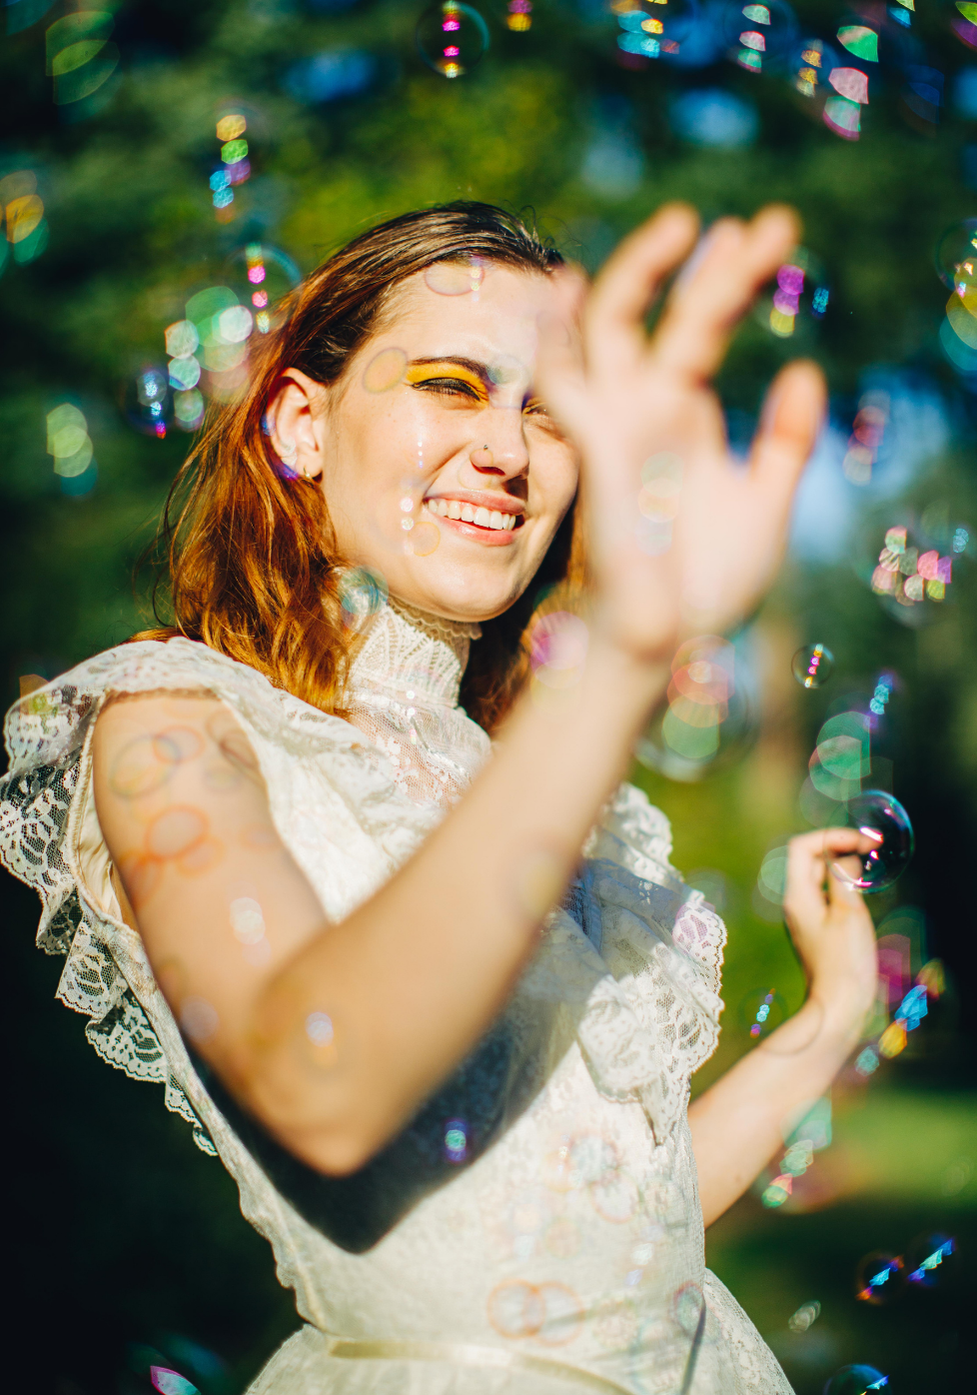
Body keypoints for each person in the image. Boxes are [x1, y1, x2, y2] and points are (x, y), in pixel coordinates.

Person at [0, 201, 878, 1394]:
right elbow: (322, 1083)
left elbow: (630, 1240)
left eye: (551, 413)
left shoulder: (551, 790)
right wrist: (625, 643)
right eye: (452, 385)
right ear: (300, 423)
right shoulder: (173, 724)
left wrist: (825, 1021)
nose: (507, 454)